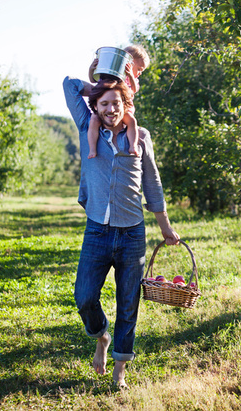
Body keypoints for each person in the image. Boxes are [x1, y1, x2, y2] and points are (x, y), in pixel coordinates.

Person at [62, 74, 180, 388]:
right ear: (96, 107)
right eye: (105, 103)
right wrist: (101, 86)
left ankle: (120, 371)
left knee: (128, 304)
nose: (111, 108)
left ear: (125, 104)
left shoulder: (140, 135)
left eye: (117, 102)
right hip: (97, 232)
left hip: (132, 235)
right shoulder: (88, 127)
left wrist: (165, 227)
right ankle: (101, 337)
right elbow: (68, 85)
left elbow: (152, 184)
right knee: (85, 296)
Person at [86, 45, 150, 159]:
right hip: (107, 107)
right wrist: (91, 69)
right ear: (130, 62)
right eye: (139, 69)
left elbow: (134, 90)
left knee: (131, 121)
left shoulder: (133, 79)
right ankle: (92, 149)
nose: (140, 73)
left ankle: (133, 146)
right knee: (94, 120)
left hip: (124, 108)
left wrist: (130, 75)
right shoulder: (110, 74)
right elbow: (93, 79)